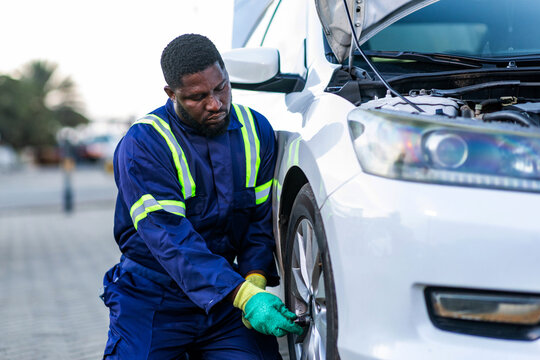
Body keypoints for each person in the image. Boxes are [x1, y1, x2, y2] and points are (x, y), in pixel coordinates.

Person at [100, 33, 303, 359]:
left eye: (221, 87)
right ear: (172, 94)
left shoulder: (256, 130)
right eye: (197, 97)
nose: (215, 103)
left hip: (225, 303)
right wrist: (243, 296)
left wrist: (254, 279)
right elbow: (170, 239)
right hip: (153, 299)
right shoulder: (145, 145)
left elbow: (259, 221)